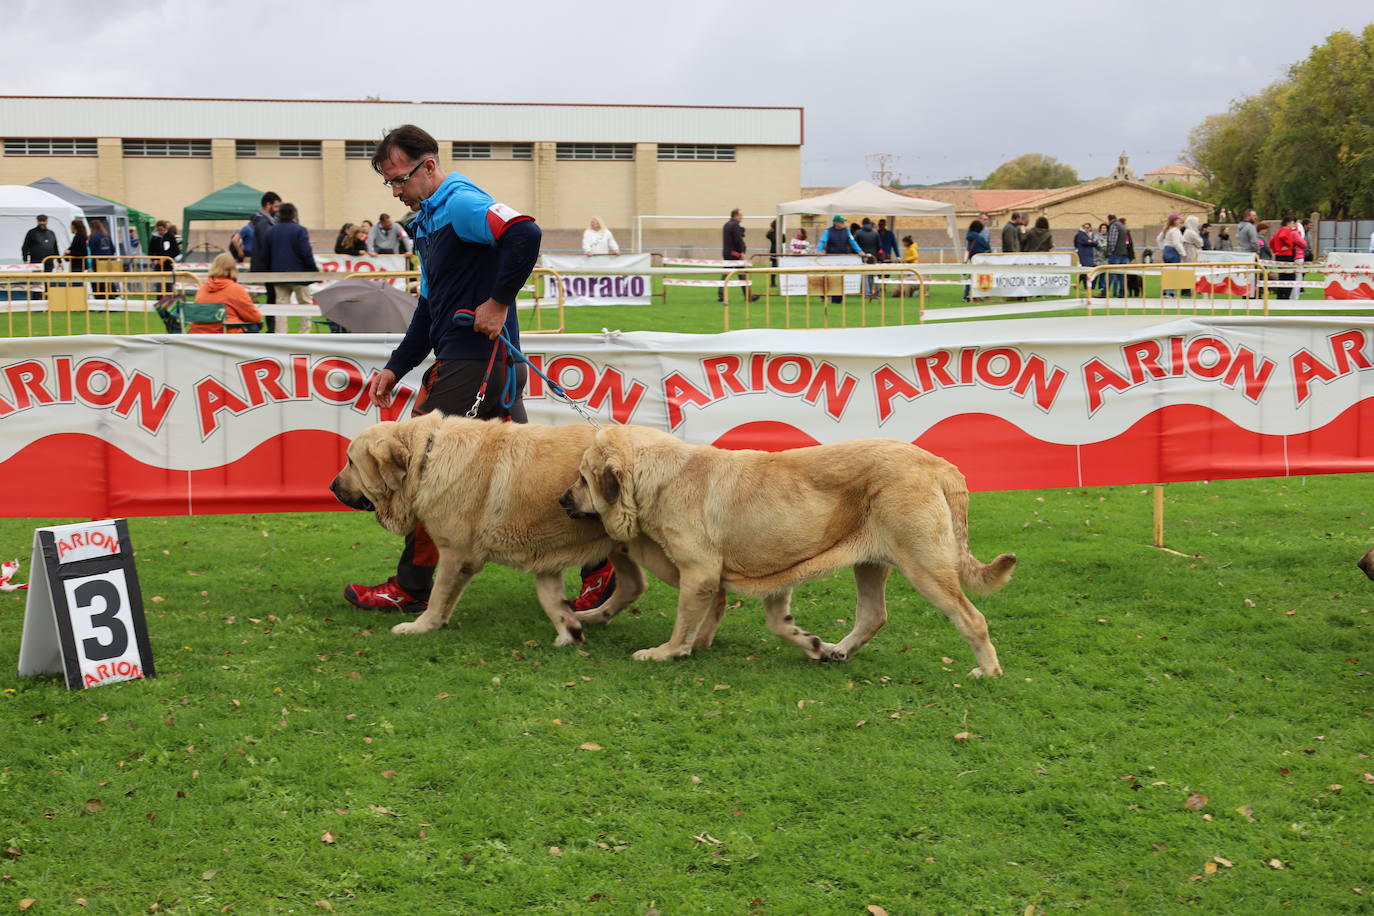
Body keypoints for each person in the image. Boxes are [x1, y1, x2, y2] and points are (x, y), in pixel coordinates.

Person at [342, 123, 600, 616]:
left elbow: (525, 231)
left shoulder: (459, 202)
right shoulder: (431, 219)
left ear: (430, 166)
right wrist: (397, 368)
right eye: (389, 184)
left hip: (476, 364)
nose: (397, 192)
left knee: (421, 472)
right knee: (539, 481)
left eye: (400, 179)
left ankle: (411, 586)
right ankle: (602, 567)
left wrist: (499, 303)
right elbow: (430, 308)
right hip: (478, 362)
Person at [263, 203, 318, 332]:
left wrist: (271, 271)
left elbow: (265, 255)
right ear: (294, 214)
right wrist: (313, 270)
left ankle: (281, 335)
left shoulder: (271, 232)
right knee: (305, 304)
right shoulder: (300, 230)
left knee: (281, 307)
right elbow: (305, 252)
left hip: (278, 276)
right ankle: (304, 333)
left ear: (279, 215)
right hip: (300, 275)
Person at [192, 253, 264, 332]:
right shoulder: (236, 289)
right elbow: (255, 317)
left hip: (199, 333)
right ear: (233, 269)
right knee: (254, 326)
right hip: (225, 332)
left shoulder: (202, 288)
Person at [250, 191, 282, 331]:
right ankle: (272, 328)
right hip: (268, 266)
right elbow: (267, 244)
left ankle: (272, 327)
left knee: (272, 297)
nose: (277, 210)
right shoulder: (264, 222)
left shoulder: (264, 220)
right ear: (268, 205)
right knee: (272, 298)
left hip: (267, 265)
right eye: (276, 206)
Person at [816, 214, 862, 304]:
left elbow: (852, 242)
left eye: (843, 222)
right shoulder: (828, 231)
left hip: (843, 258)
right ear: (835, 223)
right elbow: (822, 241)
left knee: (840, 279)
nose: (843, 223)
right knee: (830, 278)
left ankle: (838, 299)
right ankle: (824, 294)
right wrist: (819, 250)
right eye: (841, 222)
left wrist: (860, 251)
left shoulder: (847, 231)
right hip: (831, 258)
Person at [719, 208, 757, 303]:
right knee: (742, 273)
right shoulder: (735, 225)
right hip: (734, 253)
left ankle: (721, 294)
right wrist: (742, 251)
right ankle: (748, 296)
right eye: (740, 215)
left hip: (727, 253)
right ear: (735, 216)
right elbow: (737, 239)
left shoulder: (726, 225)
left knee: (726, 274)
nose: (742, 217)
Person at [1269, 216, 1305, 300]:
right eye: (1292, 223)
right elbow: (1283, 236)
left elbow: (1271, 242)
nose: (1293, 224)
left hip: (1279, 255)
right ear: (1288, 223)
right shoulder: (1286, 230)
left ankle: (1280, 296)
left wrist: (1276, 250)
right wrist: (1290, 245)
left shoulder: (1278, 231)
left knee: (1282, 276)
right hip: (1286, 255)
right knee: (1290, 277)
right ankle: (1286, 296)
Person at [963, 219, 992, 301]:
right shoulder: (979, 238)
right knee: (982, 278)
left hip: (971, 259)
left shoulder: (968, 236)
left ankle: (967, 295)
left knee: (971, 278)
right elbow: (987, 247)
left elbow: (967, 248)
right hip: (980, 260)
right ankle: (981, 296)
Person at [853, 218, 881, 297]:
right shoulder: (875, 233)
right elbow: (880, 246)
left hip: (862, 256)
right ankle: (878, 292)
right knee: (874, 275)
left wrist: (858, 252)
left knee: (864, 275)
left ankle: (867, 292)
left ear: (862, 223)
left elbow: (854, 244)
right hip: (873, 256)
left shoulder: (858, 233)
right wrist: (874, 251)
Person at [1104, 214, 1130, 297]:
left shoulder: (1114, 226)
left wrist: (1109, 252)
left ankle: (1104, 292)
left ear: (1109, 220)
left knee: (1110, 273)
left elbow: (1112, 241)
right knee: (1121, 275)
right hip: (1123, 253)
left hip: (1115, 254)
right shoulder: (1122, 226)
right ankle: (1123, 293)